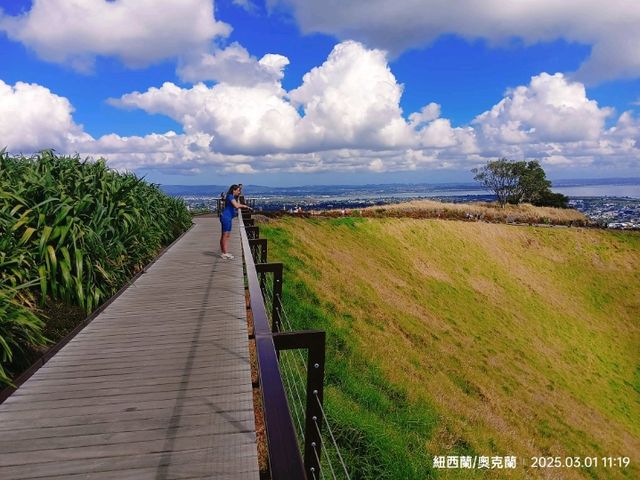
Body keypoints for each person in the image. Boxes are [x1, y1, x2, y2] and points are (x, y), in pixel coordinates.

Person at [219, 184, 252, 259]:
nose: (239, 192)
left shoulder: (231, 196)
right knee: (225, 235)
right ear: (234, 190)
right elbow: (236, 205)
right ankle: (224, 253)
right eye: (238, 190)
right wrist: (245, 206)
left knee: (226, 235)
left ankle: (225, 252)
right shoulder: (230, 196)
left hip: (228, 217)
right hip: (226, 217)